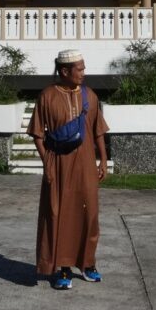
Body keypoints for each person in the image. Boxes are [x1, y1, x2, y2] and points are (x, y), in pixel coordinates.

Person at [27, 48, 109, 290]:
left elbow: (98, 131)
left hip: (85, 164)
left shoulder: (90, 96)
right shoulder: (47, 96)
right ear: (65, 71)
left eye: (83, 68)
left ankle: (88, 263)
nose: (83, 72)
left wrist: (102, 160)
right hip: (59, 164)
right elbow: (38, 134)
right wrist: (47, 164)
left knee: (90, 214)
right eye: (79, 68)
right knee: (61, 214)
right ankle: (63, 267)